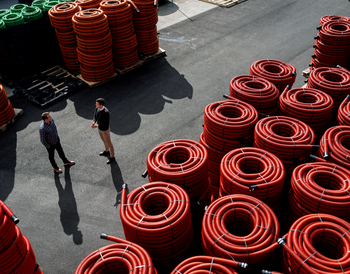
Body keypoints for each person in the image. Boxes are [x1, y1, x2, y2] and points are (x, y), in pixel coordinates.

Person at [91, 98, 115, 164]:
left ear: (101, 105)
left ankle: (112, 156)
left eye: (97, 104)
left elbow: (105, 123)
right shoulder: (97, 108)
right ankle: (106, 150)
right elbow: (95, 116)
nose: (95, 104)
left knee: (109, 143)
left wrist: (97, 126)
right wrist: (94, 122)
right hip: (100, 129)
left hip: (105, 130)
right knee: (104, 140)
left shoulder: (106, 112)